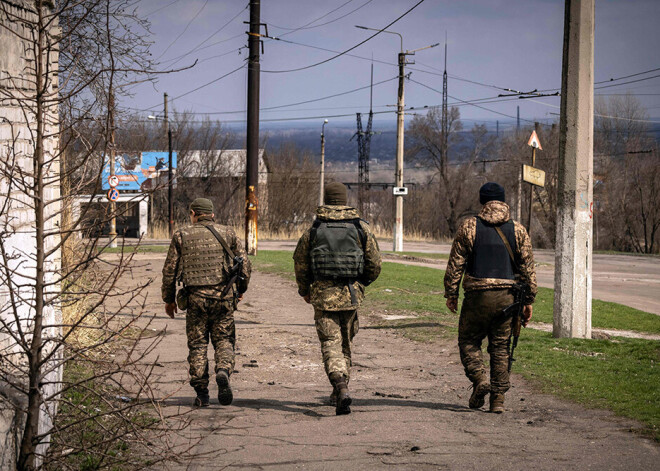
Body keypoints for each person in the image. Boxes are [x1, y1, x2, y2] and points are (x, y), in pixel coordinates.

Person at [444, 182, 537, 413]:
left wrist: (451, 293)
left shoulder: (469, 227)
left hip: (477, 297)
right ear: (503, 201)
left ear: (482, 201)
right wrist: (528, 301)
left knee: (468, 341)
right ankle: (498, 399)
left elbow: (456, 264)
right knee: (501, 347)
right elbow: (528, 269)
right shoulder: (518, 230)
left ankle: (480, 379)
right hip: (509, 298)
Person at [293, 182, 381, 415]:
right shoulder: (361, 228)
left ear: (326, 199)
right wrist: (362, 283)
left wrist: (305, 290)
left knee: (330, 344)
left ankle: (339, 385)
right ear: (344, 200)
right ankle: (341, 389)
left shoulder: (314, 229)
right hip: (351, 295)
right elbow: (375, 264)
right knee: (345, 343)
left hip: (323, 296)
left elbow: (301, 264)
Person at [162, 198, 251, 407]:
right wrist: (240, 291)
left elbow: (169, 271)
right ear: (212, 214)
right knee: (224, 340)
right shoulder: (228, 233)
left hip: (195, 300)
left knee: (198, 345)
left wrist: (169, 299)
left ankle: (202, 393)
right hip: (223, 298)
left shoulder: (181, 235)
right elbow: (245, 265)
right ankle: (223, 370)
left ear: (194, 213)